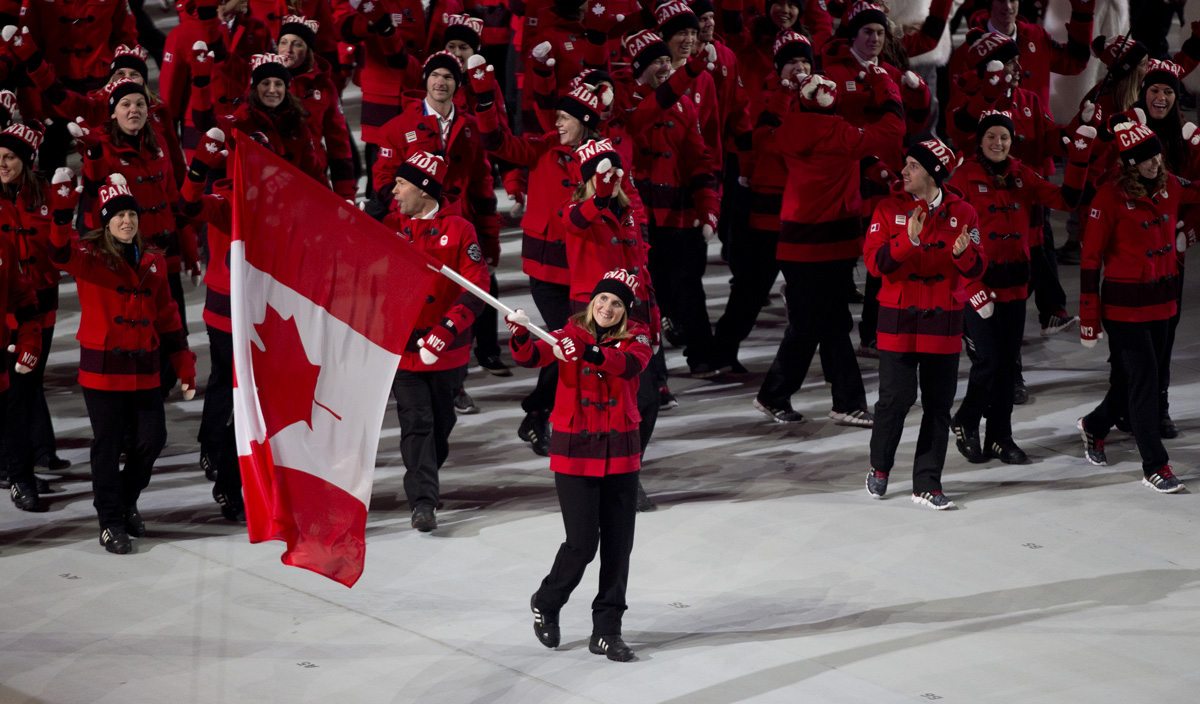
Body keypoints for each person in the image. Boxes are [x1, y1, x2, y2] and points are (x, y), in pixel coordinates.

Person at [508, 268, 653, 663]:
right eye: (603, 299)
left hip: (620, 450)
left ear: (626, 311)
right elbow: (532, 356)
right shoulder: (567, 334)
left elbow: (630, 365)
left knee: (619, 546)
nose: (608, 307)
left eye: (617, 303)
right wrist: (520, 332)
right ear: (592, 301)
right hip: (575, 450)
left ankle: (607, 630)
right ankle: (547, 600)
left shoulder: (639, 336)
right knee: (582, 543)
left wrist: (588, 352)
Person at [48, 171, 197, 553]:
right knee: (108, 444)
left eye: (131, 214)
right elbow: (59, 253)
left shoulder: (154, 260)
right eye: (118, 215)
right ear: (105, 221)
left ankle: (126, 500)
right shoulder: (89, 257)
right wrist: (62, 214)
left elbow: (168, 315)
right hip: (102, 368)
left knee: (152, 439)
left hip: (145, 366)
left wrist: (183, 361)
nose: (127, 221)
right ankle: (111, 521)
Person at [753, 69, 901, 425]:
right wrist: (884, 84)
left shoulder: (787, 131)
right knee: (812, 326)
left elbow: (760, 134)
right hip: (832, 244)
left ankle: (842, 402)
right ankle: (778, 395)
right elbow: (894, 127)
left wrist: (783, 93)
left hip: (797, 244)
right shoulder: (842, 133)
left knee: (829, 323)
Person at [948, 111, 1094, 465]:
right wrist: (970, 285)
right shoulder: (963, 176)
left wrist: (1078, 159)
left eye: (1004, 137)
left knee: (1006, 367)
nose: (998, 143)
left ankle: (1001, 437)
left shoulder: (1022, 174)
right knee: (989, 361)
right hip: (977, 287)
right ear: (980, 140)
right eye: (991, 137)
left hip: (1014, 285)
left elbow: (1066, 200)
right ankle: (966, 419)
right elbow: (950, 236)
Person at [1077, 119, 1200, 494]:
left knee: (1136, 379)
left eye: (1157, 156)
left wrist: (1197, 148)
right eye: (1146, 158)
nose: (1154, 163)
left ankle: (1095, 425)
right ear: (1130, 163)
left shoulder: (1171, 186)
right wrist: (1088, 318)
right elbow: (1090, 259)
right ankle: (1155, 466)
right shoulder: (1108, 197)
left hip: (1162, 301)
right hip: (1124, 307)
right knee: (1145, 379)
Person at [863, 137, 986, 510]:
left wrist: (965, 255)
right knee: (895, 399)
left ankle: (927, 483)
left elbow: (978, 267)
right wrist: (908, 239)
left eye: (912, 166)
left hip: (943, 321)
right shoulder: (887, 209)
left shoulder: (964, 213)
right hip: (898, 320)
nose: (903, 171)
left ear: (933, 173)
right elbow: (875, 264)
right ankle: (880, 466)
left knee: (938, 405)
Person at [383, 151, 489, 532]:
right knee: (417, 423)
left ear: (424, 190)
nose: (394, 191)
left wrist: (445, 330)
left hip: (449, 352)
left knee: (441, 424)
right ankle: (423, 503)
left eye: (401, 184)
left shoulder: (461, 230)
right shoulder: (389, 226)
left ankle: (424, 476)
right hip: (403, 351)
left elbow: (477, 287)